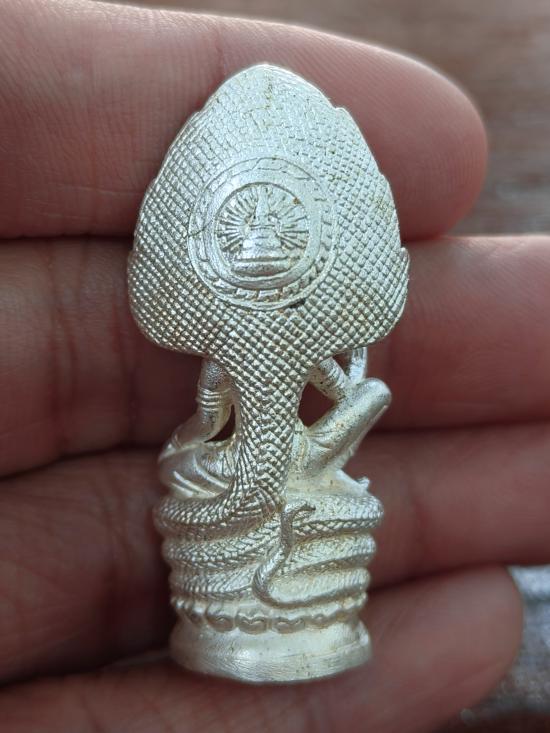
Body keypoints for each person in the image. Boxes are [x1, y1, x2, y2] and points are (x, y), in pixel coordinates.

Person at [0, 0, 548, 730]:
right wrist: (215, 426)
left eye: (275, 221)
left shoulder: (316, 338)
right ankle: (251, 583)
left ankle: (287, 582)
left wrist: (339, 392)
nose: (259, 231)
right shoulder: (213, 351)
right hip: (243, 464)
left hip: (295, 450)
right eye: (245, 221)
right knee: (202, 465)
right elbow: (214, 405)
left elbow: (329, 391)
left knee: (365, 404)